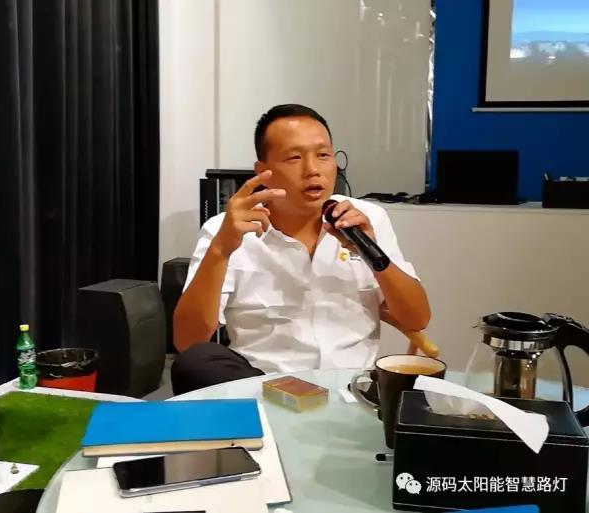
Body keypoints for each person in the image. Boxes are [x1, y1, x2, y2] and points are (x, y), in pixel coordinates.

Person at [171, 104, 430, 394]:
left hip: (352, 391)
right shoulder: (227, 229)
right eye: (294, 157)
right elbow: (188, 342)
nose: (312, 170)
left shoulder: (367, 219)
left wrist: (369, 250)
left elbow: (418, 318)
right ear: (263, 172)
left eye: (323, 155)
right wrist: (221, 250)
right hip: (265, 392)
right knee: (196, 363)